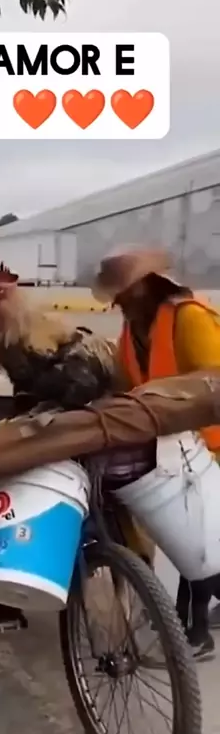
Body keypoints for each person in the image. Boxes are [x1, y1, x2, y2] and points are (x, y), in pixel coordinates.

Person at [92, 246, 220, 661]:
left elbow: (215, 377)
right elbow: (125, 385)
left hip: (211, 443)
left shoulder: (190, 318)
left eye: (125, 293)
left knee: (192, 538)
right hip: (174, 446)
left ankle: (194, 633)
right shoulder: (132, 331)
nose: (120, 303)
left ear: (148, 286)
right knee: (194, 538)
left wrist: (167, 399)